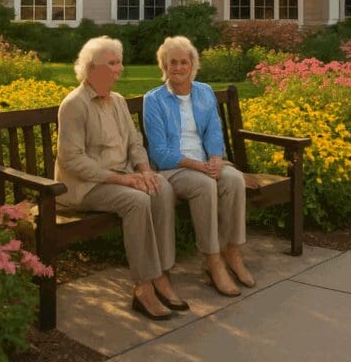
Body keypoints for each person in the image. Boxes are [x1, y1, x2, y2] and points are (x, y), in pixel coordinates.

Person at [56, 36, 185, 321]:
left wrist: (143, 170)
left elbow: (135, 143)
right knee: (137, 201)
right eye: (112, 63)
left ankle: (162, 274)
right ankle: (143, 287)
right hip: (86, 187)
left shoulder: (117, 101)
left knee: (162, 187)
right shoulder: (74, 105)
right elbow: (73, 160)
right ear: (92, 69)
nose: (120, 68)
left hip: (121, 179)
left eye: (119, 62)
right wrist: (122, 180)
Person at [143, 36, 253, 297]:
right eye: (173, 63)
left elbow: (214, 130)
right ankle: (212, 259)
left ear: (193, 64)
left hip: (205, 162)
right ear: (164, 66)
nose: (179, 67)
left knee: (234, 179)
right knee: (204, 184)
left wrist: (215, 157)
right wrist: (197, 166)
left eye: (184, 62)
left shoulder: (203, 92)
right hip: (175, 169)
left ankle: (232, 251)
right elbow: (159, 151)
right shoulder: (154, 100)